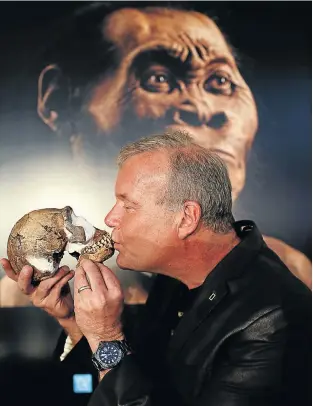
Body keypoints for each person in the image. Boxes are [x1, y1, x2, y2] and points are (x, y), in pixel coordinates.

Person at [0, 3, 310, 309]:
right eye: (159, 79)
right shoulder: (29, 296)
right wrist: (73, 323)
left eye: (220, 81)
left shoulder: (288, 275)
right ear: (59, 99)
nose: (204, 109)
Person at [1, 130, 311, 406]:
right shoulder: (175, 279)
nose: (110, 218)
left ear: (186, 218)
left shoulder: (272, 321)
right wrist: (74, 320)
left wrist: (107, 336)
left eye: (128, 205)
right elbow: (128, 378)